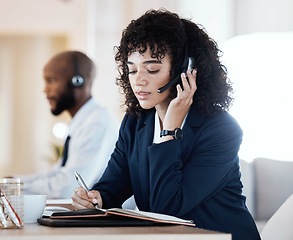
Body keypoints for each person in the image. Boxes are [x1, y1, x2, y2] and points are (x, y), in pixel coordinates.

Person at [71, 9, 260, 240]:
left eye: (152, 69)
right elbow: (114, 183)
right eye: (131, 69)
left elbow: (167, 208)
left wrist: (169, 131)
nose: (138, 80)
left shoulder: (221, 129)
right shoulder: (135, 122)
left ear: (185, 70)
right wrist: (97, 196)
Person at [20, 50, 119, 199]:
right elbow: (58, 172)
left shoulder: (97, 123)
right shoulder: (82, 122)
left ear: (77, 81)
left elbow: (68, 187)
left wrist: (11, 188)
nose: (45, 89)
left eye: (51, 80)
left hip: (107, 219)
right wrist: (12, 183)